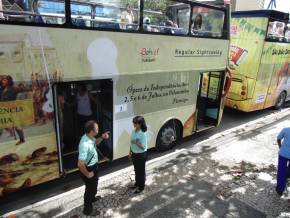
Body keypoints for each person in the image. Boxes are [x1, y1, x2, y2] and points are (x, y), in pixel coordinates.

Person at [78, 120, 109, 216]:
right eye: (97, 128)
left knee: (94, 185)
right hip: (89, 168)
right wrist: (87, 173)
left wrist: (102, 137)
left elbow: (96, 143)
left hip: (94, 166)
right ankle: (87, 210)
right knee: (89, 190)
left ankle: (92, 198)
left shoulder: (91, 137)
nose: (98, 129)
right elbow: (80, 164)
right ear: (92, 131)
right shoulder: (84, 144)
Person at [1, 76, 25, 145]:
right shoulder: (4, 89)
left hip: (13, 109)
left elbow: (10, 97)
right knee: (7, 124)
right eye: (2, 80)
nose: (3, 81)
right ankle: (18, 137)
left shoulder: (13, 89)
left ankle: (22, 139)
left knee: (17, 124)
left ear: (8, 81)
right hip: (6, 109)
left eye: (4, 80)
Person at [129, 116, 148, 194]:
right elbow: (131, 142)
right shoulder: (134, 131)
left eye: (135, 123)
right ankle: (137, 183)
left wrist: (136, 143)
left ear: (140, 124)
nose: (133, 124)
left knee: (141, 172)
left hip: (141, 155)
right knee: (136, 170)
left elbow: (143, 147)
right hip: (134, 153)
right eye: (133, 122)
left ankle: (141, 187)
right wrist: (130, 152)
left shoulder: (142, 134)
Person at [276, 127, 290, 196]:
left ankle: (280, 190)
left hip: (283, 154)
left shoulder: (285, 129)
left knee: (281, 172)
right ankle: (287, 175)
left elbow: (278, 139)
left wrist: (280, 147)